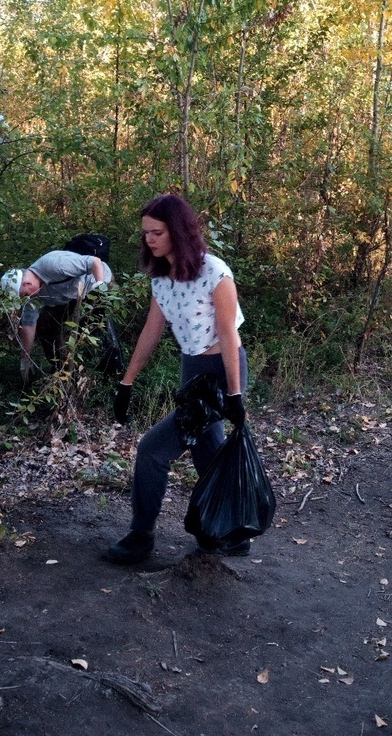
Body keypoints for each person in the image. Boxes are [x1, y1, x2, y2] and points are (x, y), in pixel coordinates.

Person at [105, 194, 249, 565]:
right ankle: (229, 532)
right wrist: (127, 382)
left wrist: (234, 394)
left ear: (179, 232)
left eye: (157, 232)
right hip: (192, 371)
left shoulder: (215, 273)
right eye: (146, 234)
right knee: (207, 454)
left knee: (153, 450)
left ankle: (141, 537)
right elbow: (152, 331)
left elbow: (229, 334)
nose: (149, 240)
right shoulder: (162, 278)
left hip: (220, 372)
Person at [1, 250, 112, 382]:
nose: (28, 298)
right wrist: (25, 358)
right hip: (68, 296)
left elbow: (94, 262)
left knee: (90, 330)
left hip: (95, 285)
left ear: (27, 284)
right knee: (45, 326)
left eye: (25, 294)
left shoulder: (55, 265)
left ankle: (106, 373)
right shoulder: (32, 295)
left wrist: (100, 288)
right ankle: (64, 372)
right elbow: (28, 324)